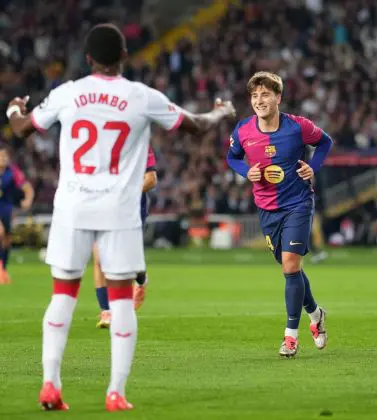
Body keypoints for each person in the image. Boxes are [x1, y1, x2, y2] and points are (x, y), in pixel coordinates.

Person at [6, 23, 234, 411]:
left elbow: (23, 128)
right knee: (122, 302)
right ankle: (115, 392)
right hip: (118, 211)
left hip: (72, 208)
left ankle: (50, 384)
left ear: (89, 57)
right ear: (125, 56)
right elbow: (195, 127)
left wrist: (14, 107)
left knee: (62, 296)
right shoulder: (140, 96)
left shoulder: (69, 93)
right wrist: (220, 112)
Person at [226, 71, 334, 357]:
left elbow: (325, 142)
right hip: (266, 209)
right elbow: (232, 157)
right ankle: (316, 314)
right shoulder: (243, 130)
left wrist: (314, 168)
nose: (259, 100)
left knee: (290, 266)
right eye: (254, 96)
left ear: (278, 97)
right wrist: (244, 171)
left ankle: (290, 337)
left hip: (298, 203)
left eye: (265, 94)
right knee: (292, 269)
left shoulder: (298, 127)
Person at [95, 146, 158, 328]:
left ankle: (141, 279)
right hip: (103, 205)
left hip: (132, 208)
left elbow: (151, 180)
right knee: (99, 258)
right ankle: (106, 311)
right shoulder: (99, 142)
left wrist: (124, 192)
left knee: (127, 260)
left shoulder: (140, 143)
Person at [0, 144, 34, 284]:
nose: (3, 158)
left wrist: (28, 199)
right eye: (1, 156)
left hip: (6, 208)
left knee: (7, 239)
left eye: (5, 156)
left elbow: (27, 187)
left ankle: (4, 268)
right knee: (0, 233)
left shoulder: (13, 171)